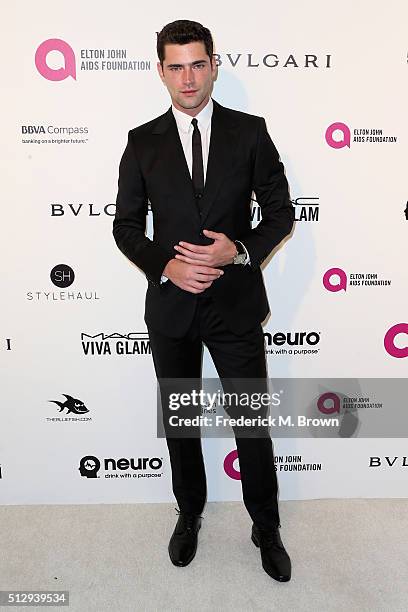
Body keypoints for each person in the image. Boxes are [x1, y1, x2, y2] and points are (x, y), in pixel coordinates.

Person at [113, 19, 295, 582]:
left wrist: (236, 250)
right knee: (182, 420)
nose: (188, 78)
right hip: (171, 306)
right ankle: (188, 512)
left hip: (234, 303)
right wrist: (166, 265)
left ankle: (265, 524)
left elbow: (281, 212)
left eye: (197, 64)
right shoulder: (142, 141)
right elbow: (125, 227)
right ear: (161, 70)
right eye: (176, 66)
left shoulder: (250, 131)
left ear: (214, 65)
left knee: (251, 420)